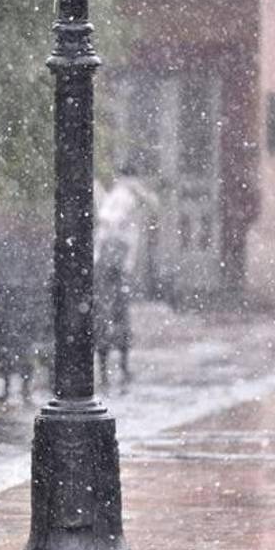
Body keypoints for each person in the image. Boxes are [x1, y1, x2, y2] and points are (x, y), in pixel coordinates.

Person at [93, 165, 158, 388]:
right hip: (113, 262)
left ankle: (115, 368)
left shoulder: (123, 195)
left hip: (112, 262)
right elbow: (108, 219)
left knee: (112, 314)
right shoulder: (123, 196)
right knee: (112, 314)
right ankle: (116, 368)